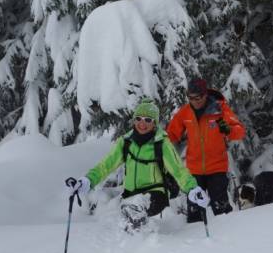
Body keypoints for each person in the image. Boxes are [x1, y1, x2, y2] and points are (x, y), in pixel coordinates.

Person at [67, 98, 210, 233]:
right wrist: (88, 180)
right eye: (138, 119)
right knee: (130, 217)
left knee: (135, 210)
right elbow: (106, 165)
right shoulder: (126, 142)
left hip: (155, 195)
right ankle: (136, 247)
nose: (142, 123)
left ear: (154, 123)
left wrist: (192, 189)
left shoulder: (162, 144)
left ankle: (144, 242)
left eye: (148, 119)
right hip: (130, 196)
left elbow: (179, 171)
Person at [166, 77, 245, 223]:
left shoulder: (219, 109)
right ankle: (197, 244)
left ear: (205, 94)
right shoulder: (185, 112)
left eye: (198, 97)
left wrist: (228, 130)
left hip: (217, 168)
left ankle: (230, 239)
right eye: (190, 98)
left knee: (222, 211)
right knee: (194, 213)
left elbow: (239, 131)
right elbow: (170, 134)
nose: (195, 101)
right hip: (194, 170)